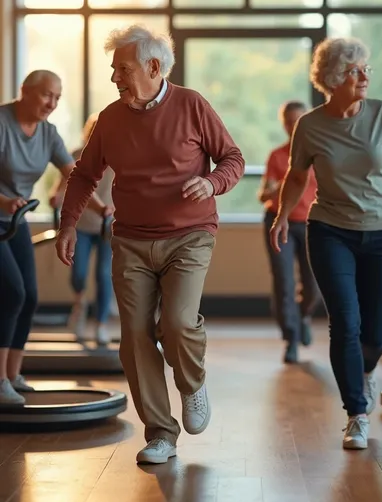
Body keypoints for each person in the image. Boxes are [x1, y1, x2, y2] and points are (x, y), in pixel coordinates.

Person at [55, 25, 245, 466]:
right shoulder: (110, 118)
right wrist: (67, 226)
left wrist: (212, 182)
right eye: (114, 69)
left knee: (177, 323)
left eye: (122, 69)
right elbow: (84, 174)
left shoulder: (192, 105)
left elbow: (232, 158)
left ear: (153, 67)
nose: (115, 78)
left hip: (190, 235)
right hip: (132, 239)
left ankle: (192, 383)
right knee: (135, 338)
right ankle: (161, 433)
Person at [270, 38, 382, 451]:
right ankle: (356, 414)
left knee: (376, 330)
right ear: (335, 78)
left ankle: (365, 370)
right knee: (345, 322)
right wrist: (283, 215)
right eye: (357, 70)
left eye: (366, 69)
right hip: (331, 231)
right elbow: (297, 176)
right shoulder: (310, 126)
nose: (365, 76)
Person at [0, 70, 107, 405]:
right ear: (25, 92)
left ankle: (13, 377)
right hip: (1, 213)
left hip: (14, 221)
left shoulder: (48, 133)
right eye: (47, 95)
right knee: (12, 292)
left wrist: (102, 209)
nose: (52, 103)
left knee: (30, 296)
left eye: (58, 97)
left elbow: (75, 175)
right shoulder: (2, 123)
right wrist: (4, 200)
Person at [258, 100, 320, 364]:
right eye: (289, 122)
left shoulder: (321, 154)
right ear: (284, 125)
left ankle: (304, 315)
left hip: (312, 224)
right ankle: (291, 339)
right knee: (284, 283)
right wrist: (284, 182)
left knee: (314, 286)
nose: (294, 126)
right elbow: (264, 194)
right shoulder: (277, 156)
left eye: (299, 120)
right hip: (279, 221)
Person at [52, 113, 115, 345]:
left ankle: (100, 323)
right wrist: (55, 198)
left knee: (103, 276)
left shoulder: (119, 156)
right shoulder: (77, 155)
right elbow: (62, 185)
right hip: (82, 226)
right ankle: (79, 304)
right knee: (78, 274)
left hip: (108, 226)